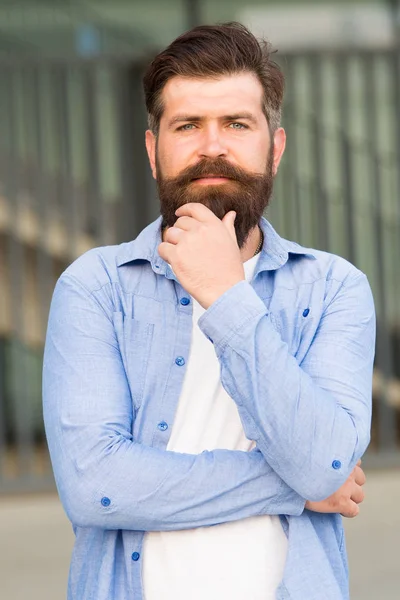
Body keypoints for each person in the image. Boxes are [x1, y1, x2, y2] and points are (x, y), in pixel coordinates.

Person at [43, 22, 375, 600]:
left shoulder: (334, 289)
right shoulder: (95, 287)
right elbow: (95, 484)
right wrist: (292, 487)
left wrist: (226, 295)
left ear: (275, 149)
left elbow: (326, 463)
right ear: (153, 151)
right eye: (188, 125)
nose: (212, 145)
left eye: (237, 124)